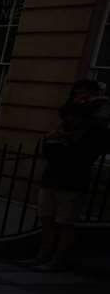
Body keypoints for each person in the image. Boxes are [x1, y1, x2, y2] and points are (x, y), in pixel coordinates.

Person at [25, 79, 110, 271]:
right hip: (52, 177)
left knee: (64, 222)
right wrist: (52, 140)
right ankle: (43, 254)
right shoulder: (65, 123)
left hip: (72, 181)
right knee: (46, 218)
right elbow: (47, 150)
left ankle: (58, 259)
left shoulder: (96, 127)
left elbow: (85, 154)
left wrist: (67, 142)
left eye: (85, 93)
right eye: (78, 93)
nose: (81, 97)